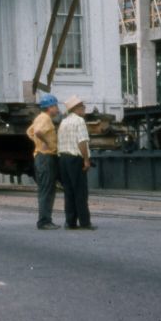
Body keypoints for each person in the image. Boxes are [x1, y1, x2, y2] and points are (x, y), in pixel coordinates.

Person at [57, 96, 94, 231]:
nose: (84, 109)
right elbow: (82, 142)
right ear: (76, 109)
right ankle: (85, 222)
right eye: (83, 107)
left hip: (63, 159)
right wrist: (86, 159)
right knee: (80, 191)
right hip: (75, 159)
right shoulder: (79, 121)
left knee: (69, 191)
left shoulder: (64, 122)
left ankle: (70, 222)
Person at [27, 93, 60, 230]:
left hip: (41, 156)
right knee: (47, 190)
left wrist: (37, 143)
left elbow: (30, 132)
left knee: (45, 189)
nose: (57, 109)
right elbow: (38, 132)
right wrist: (45, 143)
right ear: (49, 107)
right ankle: (44, 221)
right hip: (45, 157)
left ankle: (45, 220)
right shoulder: (45, 118)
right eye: (55, 106)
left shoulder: (39, 118)